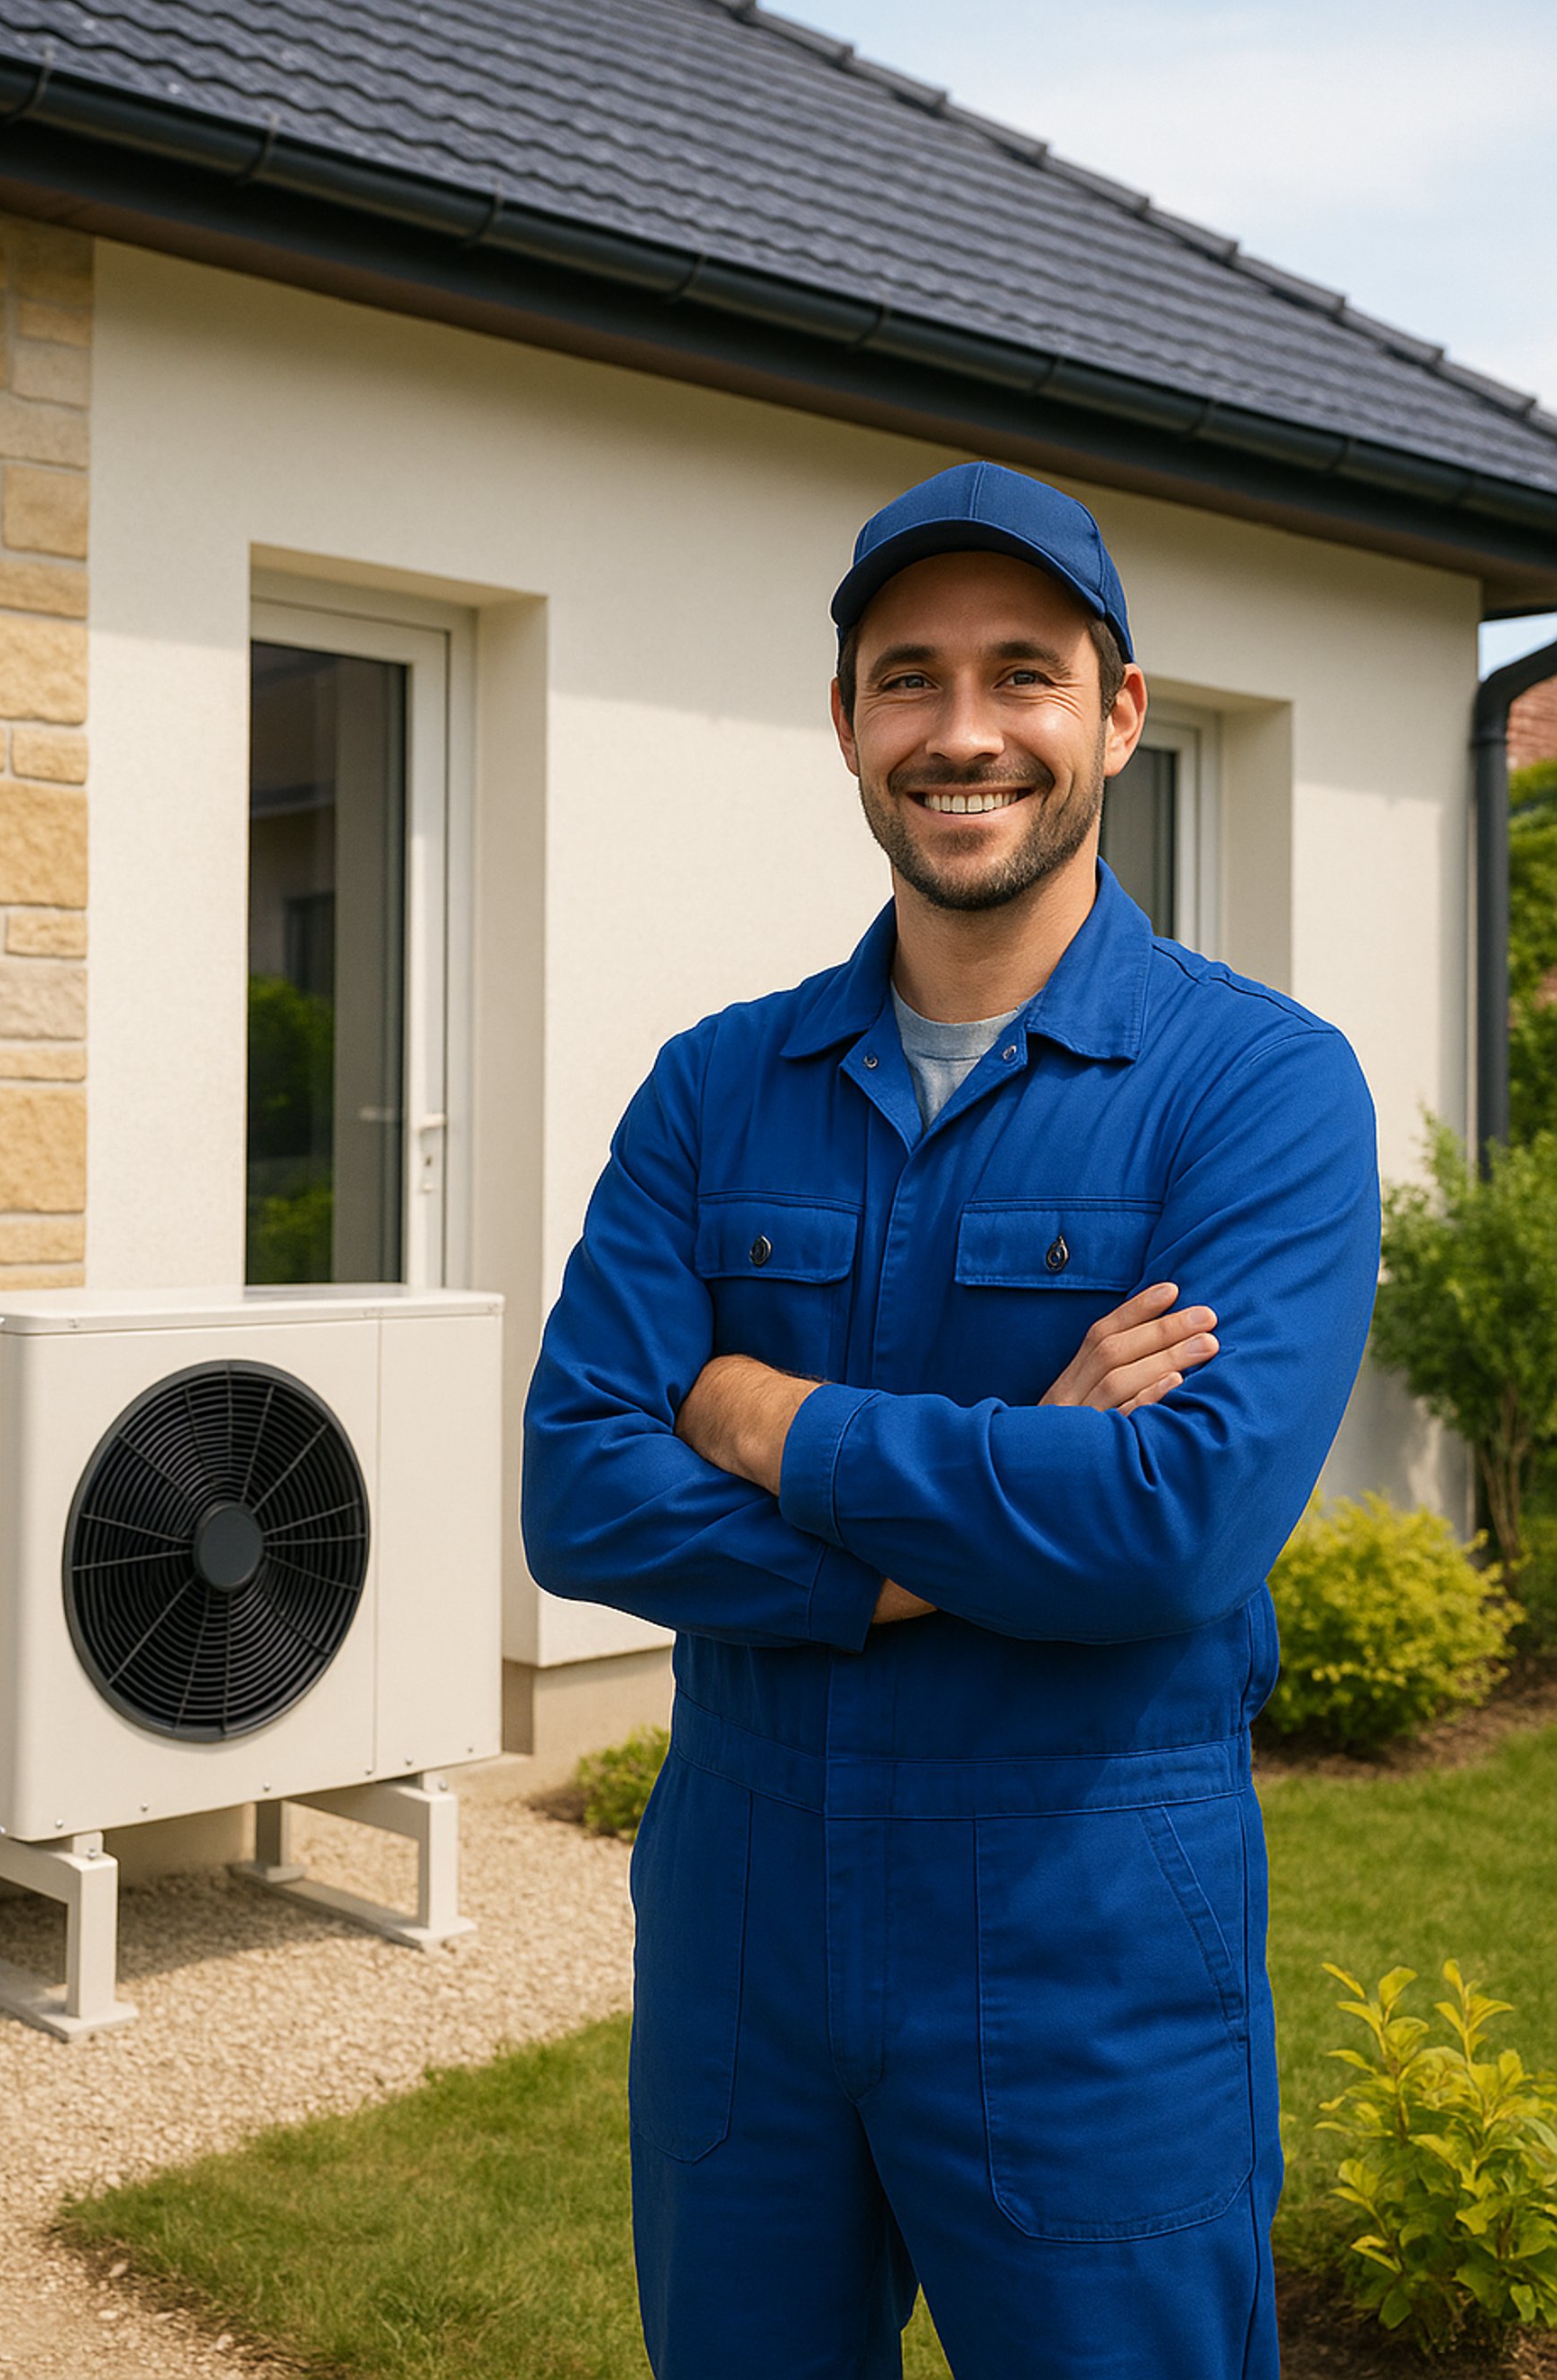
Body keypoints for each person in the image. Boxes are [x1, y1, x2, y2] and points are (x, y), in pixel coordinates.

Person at [521, 458, 1380, 2380]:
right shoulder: (716, 1087)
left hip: (1088, 1934)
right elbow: (580, 1495)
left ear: (1119, 715)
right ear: (846, 723)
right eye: (909, 678)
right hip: (744, 1926)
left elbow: (1171, 1527)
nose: (963, 730)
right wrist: (998, 1497)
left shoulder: (1254, 1090)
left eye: (1023, 674)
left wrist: (767, 1416)